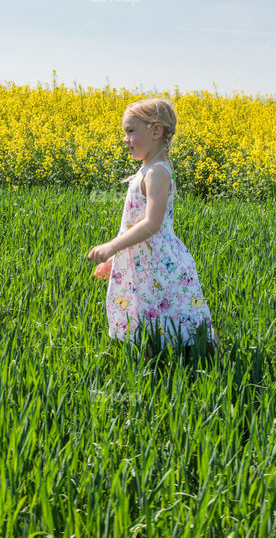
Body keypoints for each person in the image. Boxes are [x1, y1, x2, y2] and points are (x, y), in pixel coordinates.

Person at [87, 98, 217, 359]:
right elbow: (134, 223)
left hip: (158, 259)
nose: (126, 139)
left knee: (174, 310)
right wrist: (117, 257)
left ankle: (202, 358)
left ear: (156, 131)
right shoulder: (146, 170)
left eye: (131, 131)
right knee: (145, 309)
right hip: (143, 259)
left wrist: (112, 245)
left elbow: (151, 223)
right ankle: (153, 362)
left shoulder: (157, 173)